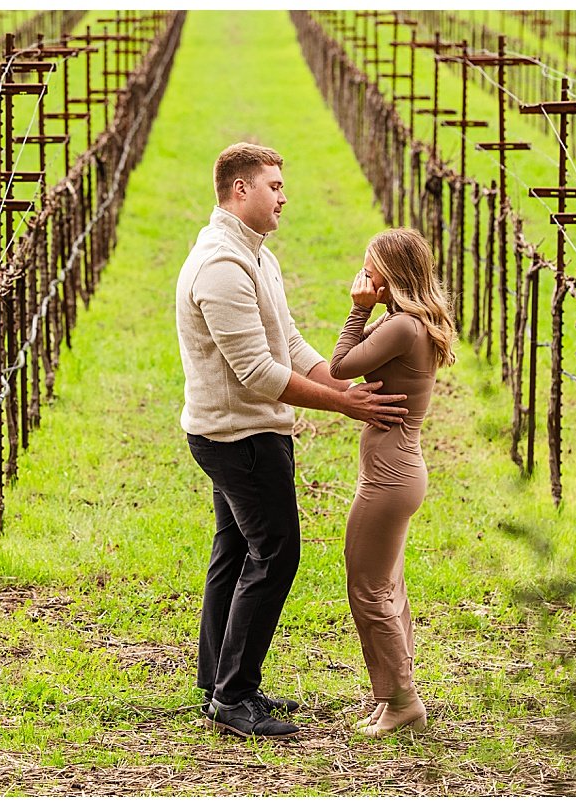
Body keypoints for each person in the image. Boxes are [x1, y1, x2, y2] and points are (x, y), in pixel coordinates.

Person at [176, 143, 409, 739]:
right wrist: (345, 403)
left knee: (234, 552)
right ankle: (234, 697)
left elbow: (291, 348)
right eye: (273, 185)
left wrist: (344, 379)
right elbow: (258, 373)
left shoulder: (257, 257)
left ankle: (220, 681)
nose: (283, 196)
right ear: (239, 191)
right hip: (240, 436)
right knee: (275, 554)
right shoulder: (223, 268)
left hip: (245, 430)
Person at [328, 227, 456, 737]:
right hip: (397, 469)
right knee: (387, 586)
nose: (363, 276)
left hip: (390, 475)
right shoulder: (409, 323)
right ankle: (393, 697)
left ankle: (403, 701)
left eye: (370, 265)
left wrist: (358, 308)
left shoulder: (402, 326)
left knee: (368, 586)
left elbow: (340, 368)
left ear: (392, 273)